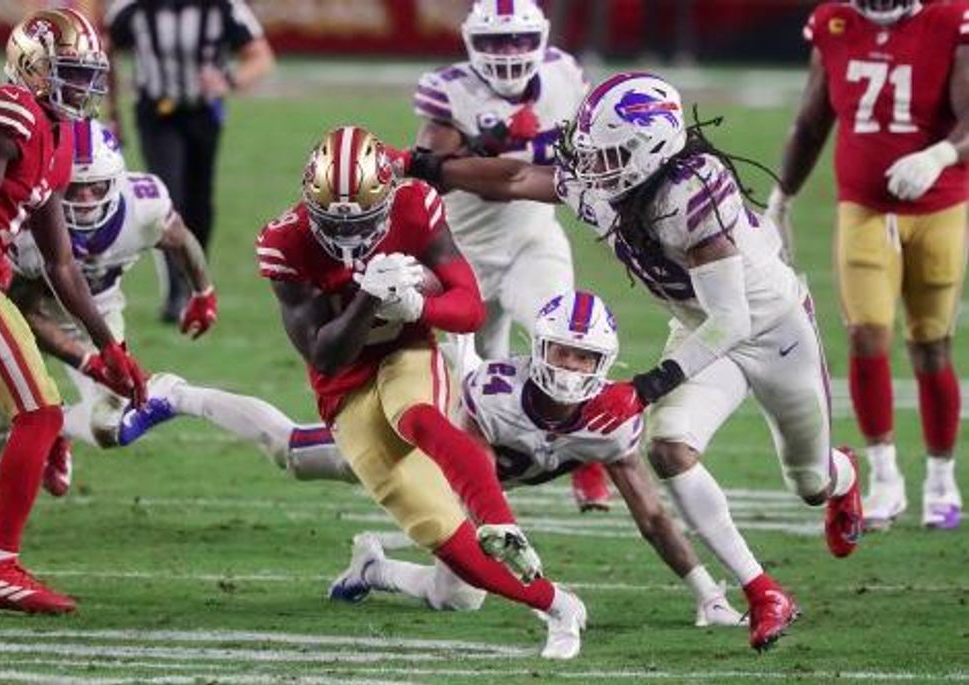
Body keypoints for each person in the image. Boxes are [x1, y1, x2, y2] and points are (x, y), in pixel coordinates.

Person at [397, 72, 863, 651]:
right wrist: (426, 167)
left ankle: (843, 475)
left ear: (653, 149)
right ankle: (763, 591)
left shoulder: (691, 193)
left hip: (772, 332)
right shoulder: (613, 182)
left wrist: (643, 388)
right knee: (670, 450)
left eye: (612, 154)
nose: (595, 168)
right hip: (702, 331)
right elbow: (517, 177)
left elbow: (733, 320)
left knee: (811, 482)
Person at [256, 125, 587, 660]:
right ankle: (557, 603)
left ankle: (502, 524)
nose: (349, 237)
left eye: (362, 221)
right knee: (441, 532)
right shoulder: (285, 241)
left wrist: (416, 306)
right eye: (335, 223)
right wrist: (367, 298)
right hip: (343, 388)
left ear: (385, 198)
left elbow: (471, 309)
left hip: (410, 349)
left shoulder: (413, 206)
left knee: (417, 415)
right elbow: (324, 354)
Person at [329, 289, 744, 628]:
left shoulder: (611, 422)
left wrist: (708, 594)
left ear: (604, 363)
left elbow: (653, 518)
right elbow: (477, 483)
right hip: (425, 461)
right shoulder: (495, 395)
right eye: (561, 352)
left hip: (467, 490)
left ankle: (371, 570)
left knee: (455, 598)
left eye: (584, 357)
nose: (570, 367)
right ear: (539, 348)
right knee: (309, 455)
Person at [766, 0, 968, 531]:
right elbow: (811, 120)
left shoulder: (952, 19)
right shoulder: (836, 21)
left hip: (939, 207)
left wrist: (940, 156)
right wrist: (780, 199)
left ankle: (942, 478)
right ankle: (884, 476)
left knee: (930, 343)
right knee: (866, 336)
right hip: (863, 206)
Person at [414, 0, 613, 512]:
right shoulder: (449, 89)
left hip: (531, 242)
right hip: (462, 255)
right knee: (476, 381)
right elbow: (432, 170)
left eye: (520, 39)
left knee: (567, 336)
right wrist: (494, 140)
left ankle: (590, 458)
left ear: (540, 38)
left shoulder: (566, 75)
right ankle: (489, 492)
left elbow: (593, 147)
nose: (509, 52)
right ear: (473, 43)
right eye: (497, 42)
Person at [0, 8, 146, 614]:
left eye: (88, 75)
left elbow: (61, 267)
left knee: (38, 413)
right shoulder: (13, 114)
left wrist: (110, 347)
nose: (84, 88)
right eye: (71, 73)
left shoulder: (55, 140)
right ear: (33, 67)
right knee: (39, 413)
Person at [0, 118, 217, 496]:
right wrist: (88, 361)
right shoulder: (28, 224)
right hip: (32, 311)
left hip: (101, 308)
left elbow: (180, 240)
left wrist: (202, 292)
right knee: (2, 414)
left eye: (96, 186)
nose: (86, 200)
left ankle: (57, 430)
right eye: (75, 189)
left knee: (109, 424)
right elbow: (25, 313)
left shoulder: (144, 204)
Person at [104, 0, 274, 322]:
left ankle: (196, 282)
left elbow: (261, 56)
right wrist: (113, 109)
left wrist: (230, 81)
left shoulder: (223, 7)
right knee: (169, 196)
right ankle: (175, 293)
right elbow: (103, 49)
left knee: (200, 203)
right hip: (157, 113)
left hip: (202, 114)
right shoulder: (135, 8)